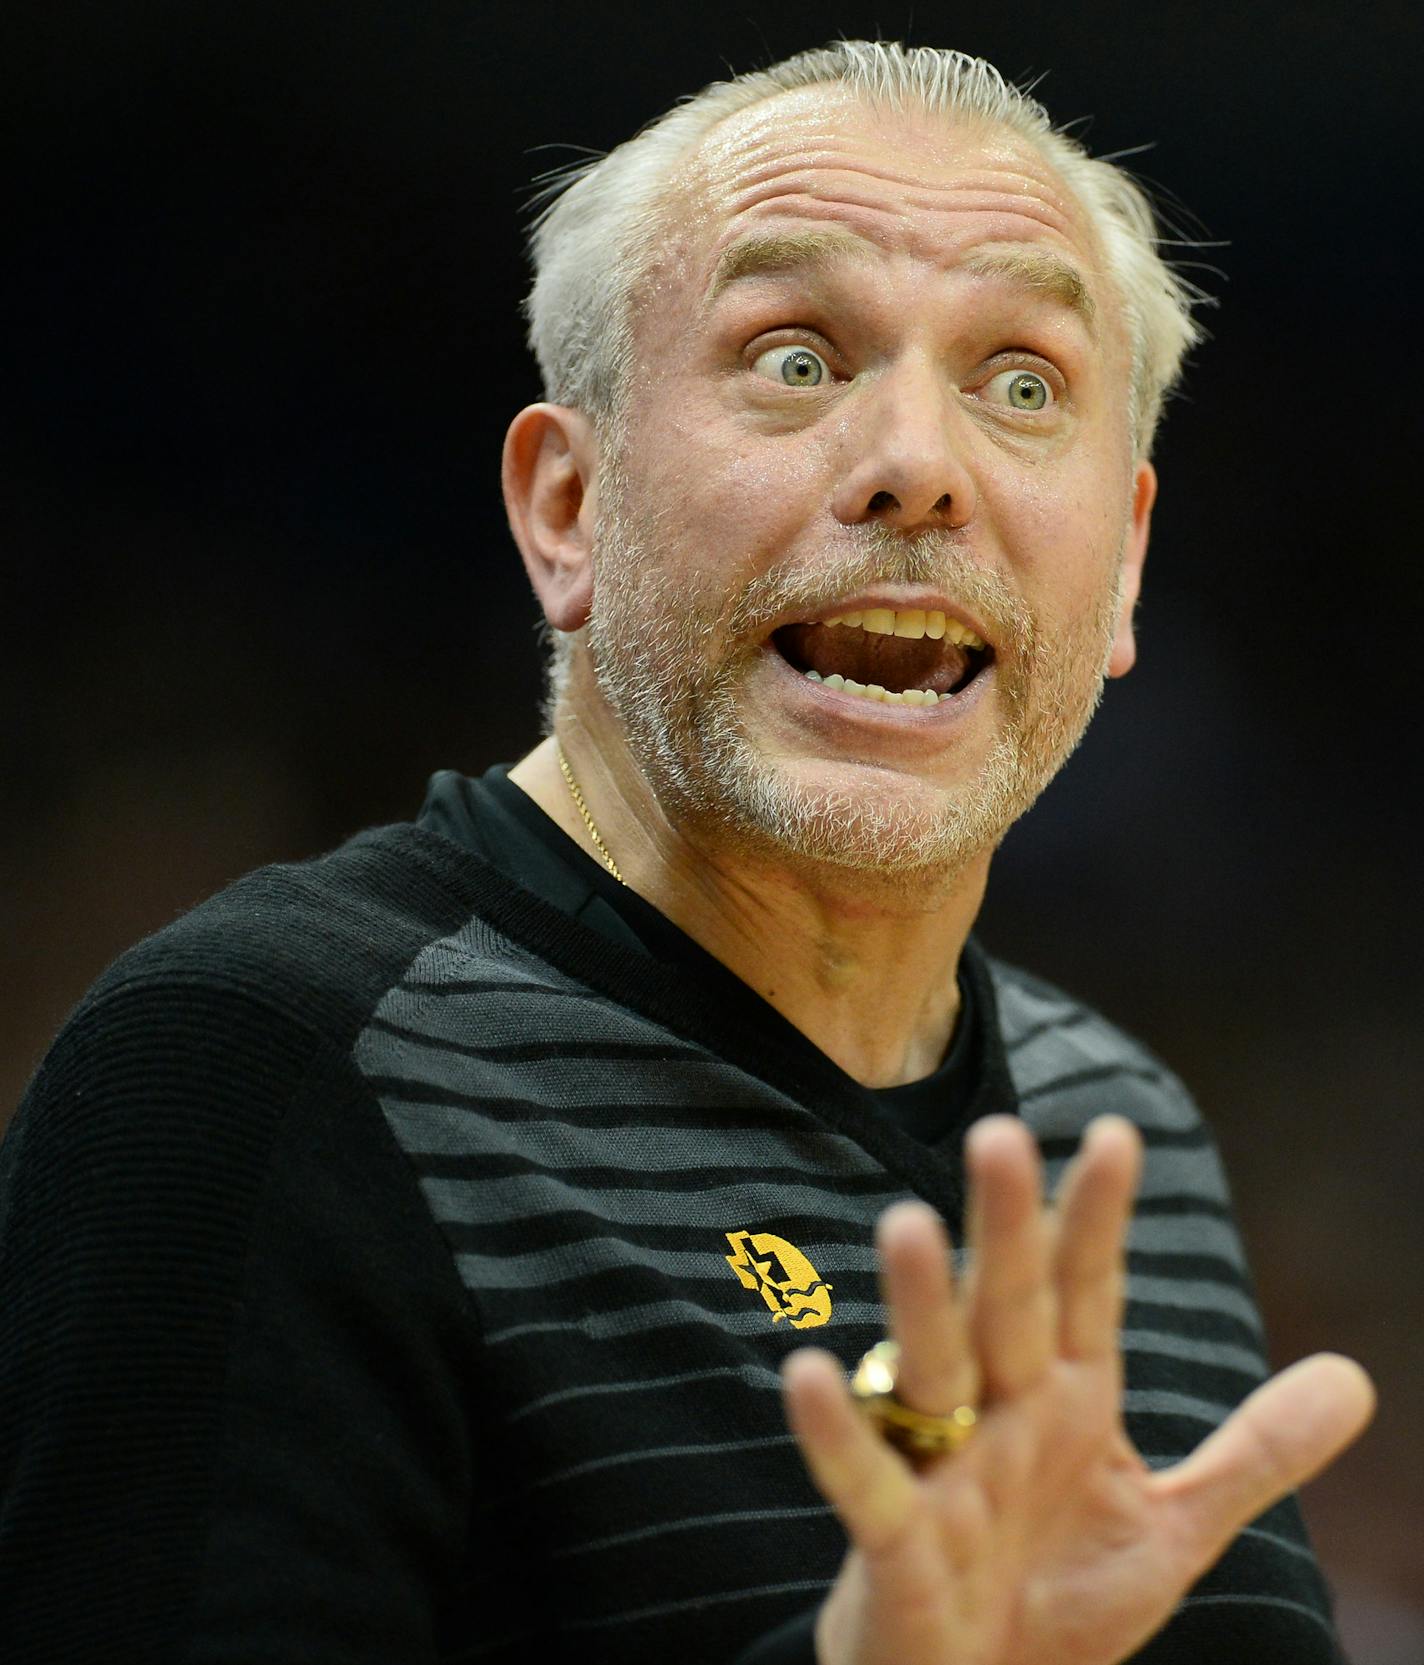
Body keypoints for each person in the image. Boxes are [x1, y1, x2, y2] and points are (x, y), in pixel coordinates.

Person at [0, 39, 1373, 1665]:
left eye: (1023, 385)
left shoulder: (1118, 1138)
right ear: (567, 508)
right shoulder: (254, 1072)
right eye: (794, 357)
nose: (920, 463)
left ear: (1127, 559)